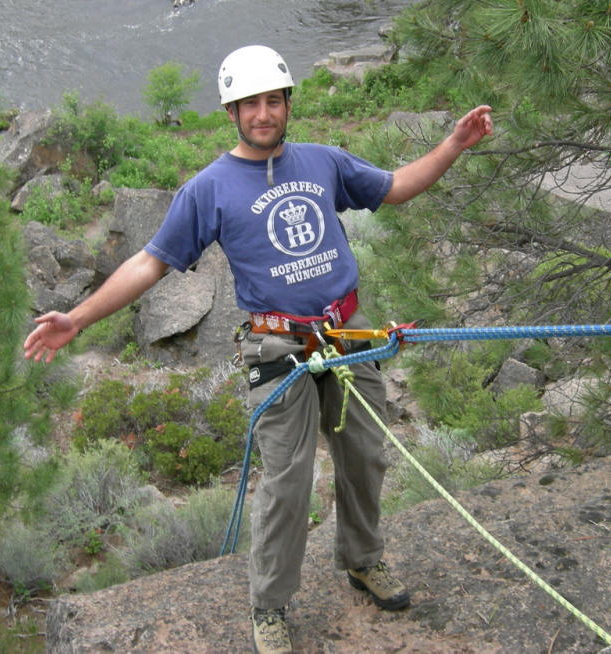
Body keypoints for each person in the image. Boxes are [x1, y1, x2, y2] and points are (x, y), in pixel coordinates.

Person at [24, 45, 492, 654]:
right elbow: (149, 262)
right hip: (277, 345)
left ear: (288, 103)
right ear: (232, 112)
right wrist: (79, 318)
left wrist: (452, 145)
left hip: (349, 334)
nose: (264, 114)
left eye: (274, 101)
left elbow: (396, 187)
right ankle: (269, 605)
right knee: (288, 480)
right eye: (251, 104)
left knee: (365, 457)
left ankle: (363, 559)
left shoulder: (322, 161)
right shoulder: (209, 189)